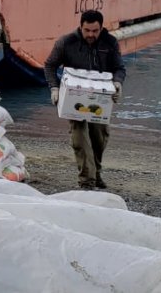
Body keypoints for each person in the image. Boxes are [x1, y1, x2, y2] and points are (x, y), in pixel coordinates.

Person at [44, 10, 126, 190]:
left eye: (95, 31)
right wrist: (54, 88)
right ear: (80, 26)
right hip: (75, 98)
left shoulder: (110, 43)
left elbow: (119, 68)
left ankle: (96, 173)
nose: (91, 35)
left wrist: (118, 84)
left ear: (101, 28)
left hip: (100, 98)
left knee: (100, 137)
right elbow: (50, 65)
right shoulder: (66, 42)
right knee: (79, 138)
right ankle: (86, 181)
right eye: (87, 30)